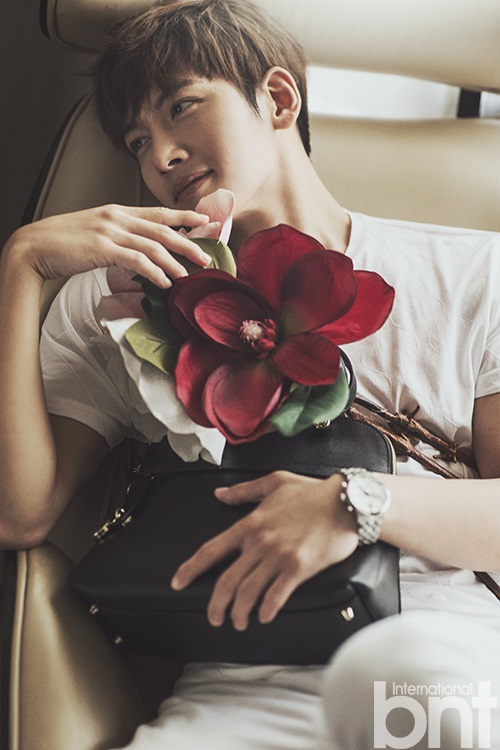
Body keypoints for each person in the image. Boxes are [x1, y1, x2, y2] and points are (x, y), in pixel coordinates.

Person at [1, 0, 500, 747]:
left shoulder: (473, 274)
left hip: (439, 655)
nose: (161, 156)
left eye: (182, 107)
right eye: (137, 140)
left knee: (407, 694)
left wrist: (354, 503)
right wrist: (21, 266)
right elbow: (20, 515)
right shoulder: (118, 303)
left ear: (278, 99)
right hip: (236, 678)